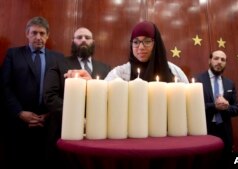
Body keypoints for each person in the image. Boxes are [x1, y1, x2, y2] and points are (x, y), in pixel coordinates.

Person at [0, 16, 64, 169]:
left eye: (42, 33)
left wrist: (49, 114)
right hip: (18, 125)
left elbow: (62, 89)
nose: (38, 37)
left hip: (47, 125)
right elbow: (4, 86)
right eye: (34, 33)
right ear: (27, 34)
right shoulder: (13, 54)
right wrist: (20, 112)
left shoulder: (58, 58)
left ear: (47, 36)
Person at [43, 27, 111, 168]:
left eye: (87, 37)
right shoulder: (59, 64)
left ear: (93, 42)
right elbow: (50, 97)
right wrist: (77, 117)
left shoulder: (106, 68)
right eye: (79, 37)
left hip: (98, 132)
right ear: (73, 42)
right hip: (63, 131)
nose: (83, 40)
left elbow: (111, 98)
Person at [66, 21, 188, 83]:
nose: (140, 47)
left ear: (156, 44)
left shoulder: (174, 72)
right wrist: (91, 83)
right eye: (135, 42)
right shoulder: (120, 73)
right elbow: (103, 94)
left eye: (147, 41)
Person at [195, 50, 238, 169]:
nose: (219, 62)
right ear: (210, 60)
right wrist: (214, 106)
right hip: (205, 130)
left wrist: (227, 107)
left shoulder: (230, 84)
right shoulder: (198, 80)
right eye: (216, 58)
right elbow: (194, 108)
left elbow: (237, 109)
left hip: (225, 132)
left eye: (223, 60)